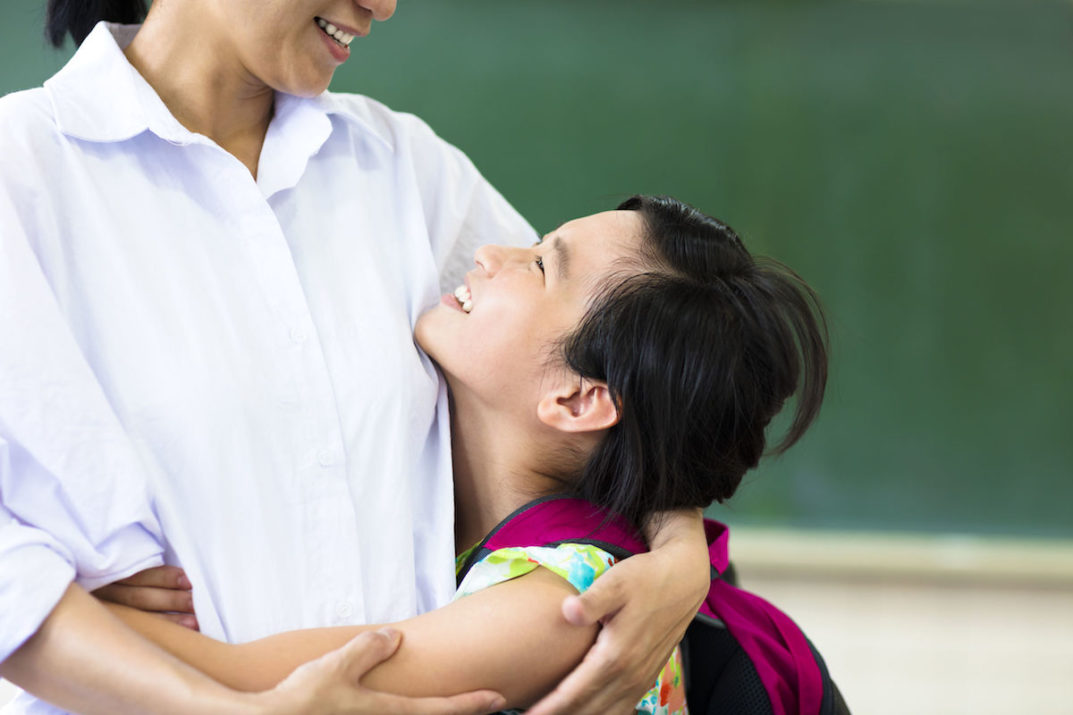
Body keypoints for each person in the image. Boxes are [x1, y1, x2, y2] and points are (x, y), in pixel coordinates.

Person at [0, 1, 711, 713]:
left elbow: (609, 380)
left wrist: (681, 552)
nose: (383, 4)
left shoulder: (402, 167)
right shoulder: (21, 176)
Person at [94, 195, 829, 714]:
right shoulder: (511, 546)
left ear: (577, 400)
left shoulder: (560, 602)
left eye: (540, 265)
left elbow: (241, 682)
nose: (489, 252)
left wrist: (70, 593)